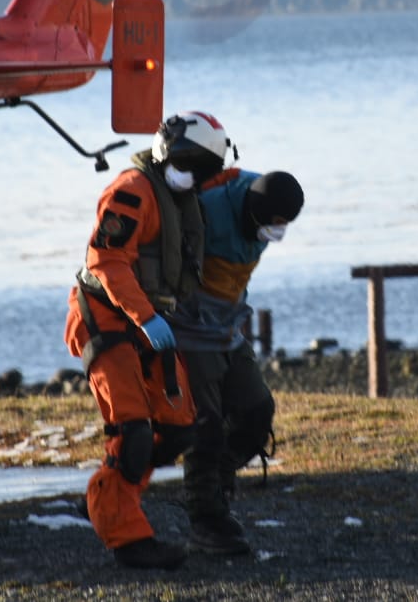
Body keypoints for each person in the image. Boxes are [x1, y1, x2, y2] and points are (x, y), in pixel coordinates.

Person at [64, 111, 234, 570]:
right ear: (166, 150)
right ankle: (128, 540)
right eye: (189, 163)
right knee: (133, 430)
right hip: (107, 316)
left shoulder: (186, 192)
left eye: (205, 168)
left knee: (178, 426)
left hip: (149, 322)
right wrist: (144, 317)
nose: (195, 175)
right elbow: (106, 260)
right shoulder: (132, 192)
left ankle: (107, 499)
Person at [170, 169, 304, 555]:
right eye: (276, 223)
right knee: (206, 421)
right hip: (190, 328)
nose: (278, 231)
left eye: (285, 225)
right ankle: (206, 517)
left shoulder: (263, 203)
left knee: (257, 408)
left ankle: (220, 475)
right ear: (256, 213)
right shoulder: (207, 212)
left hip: (229, 326)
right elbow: (166, 262)